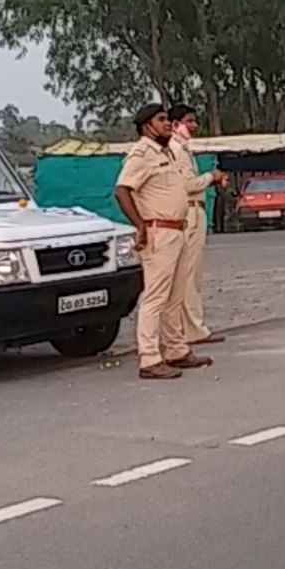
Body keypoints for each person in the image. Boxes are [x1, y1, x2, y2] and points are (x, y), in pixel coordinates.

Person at [113, 104, 215, 379]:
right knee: (156, 297)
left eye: (168, 119)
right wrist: (139, 225)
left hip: (178, 229)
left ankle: (176, 350)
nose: (167, 123)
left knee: (175, 295)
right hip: (159, 231)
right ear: (147, 126)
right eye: (161, 120)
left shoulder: (167, 151)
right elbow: (122, 190)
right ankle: (149, 358)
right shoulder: (142, 153)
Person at [165, 104, 228, 346]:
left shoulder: (182, 149)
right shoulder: (177, 150)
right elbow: (189, 185)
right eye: (189, 121)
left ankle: (186, 329)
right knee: (189, 275)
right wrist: (211, 177)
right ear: (175, 124)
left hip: (193, 211)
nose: (194, 126)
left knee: (190, 274)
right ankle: (194, 330)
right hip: (189, 212)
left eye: (194, 121)